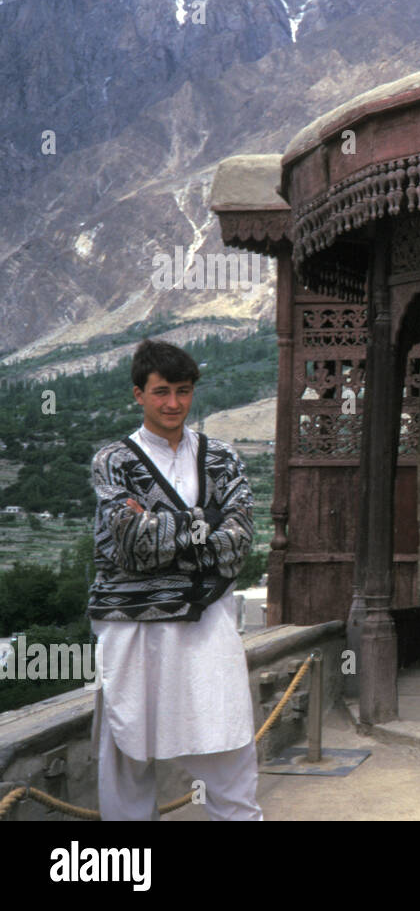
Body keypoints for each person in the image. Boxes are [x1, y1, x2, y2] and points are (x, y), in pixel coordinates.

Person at [87, 338, 262, 821]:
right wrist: (203, 522)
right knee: (128, 747)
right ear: (138, 393)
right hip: (130, 626)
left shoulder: (222, 457)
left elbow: (241, 542)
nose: (172, 403)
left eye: (182, 391)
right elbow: (128, 544)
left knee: (226, 740)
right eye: (161, 391)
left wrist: (162, 528)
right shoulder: (113, 461)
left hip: (205, 620)